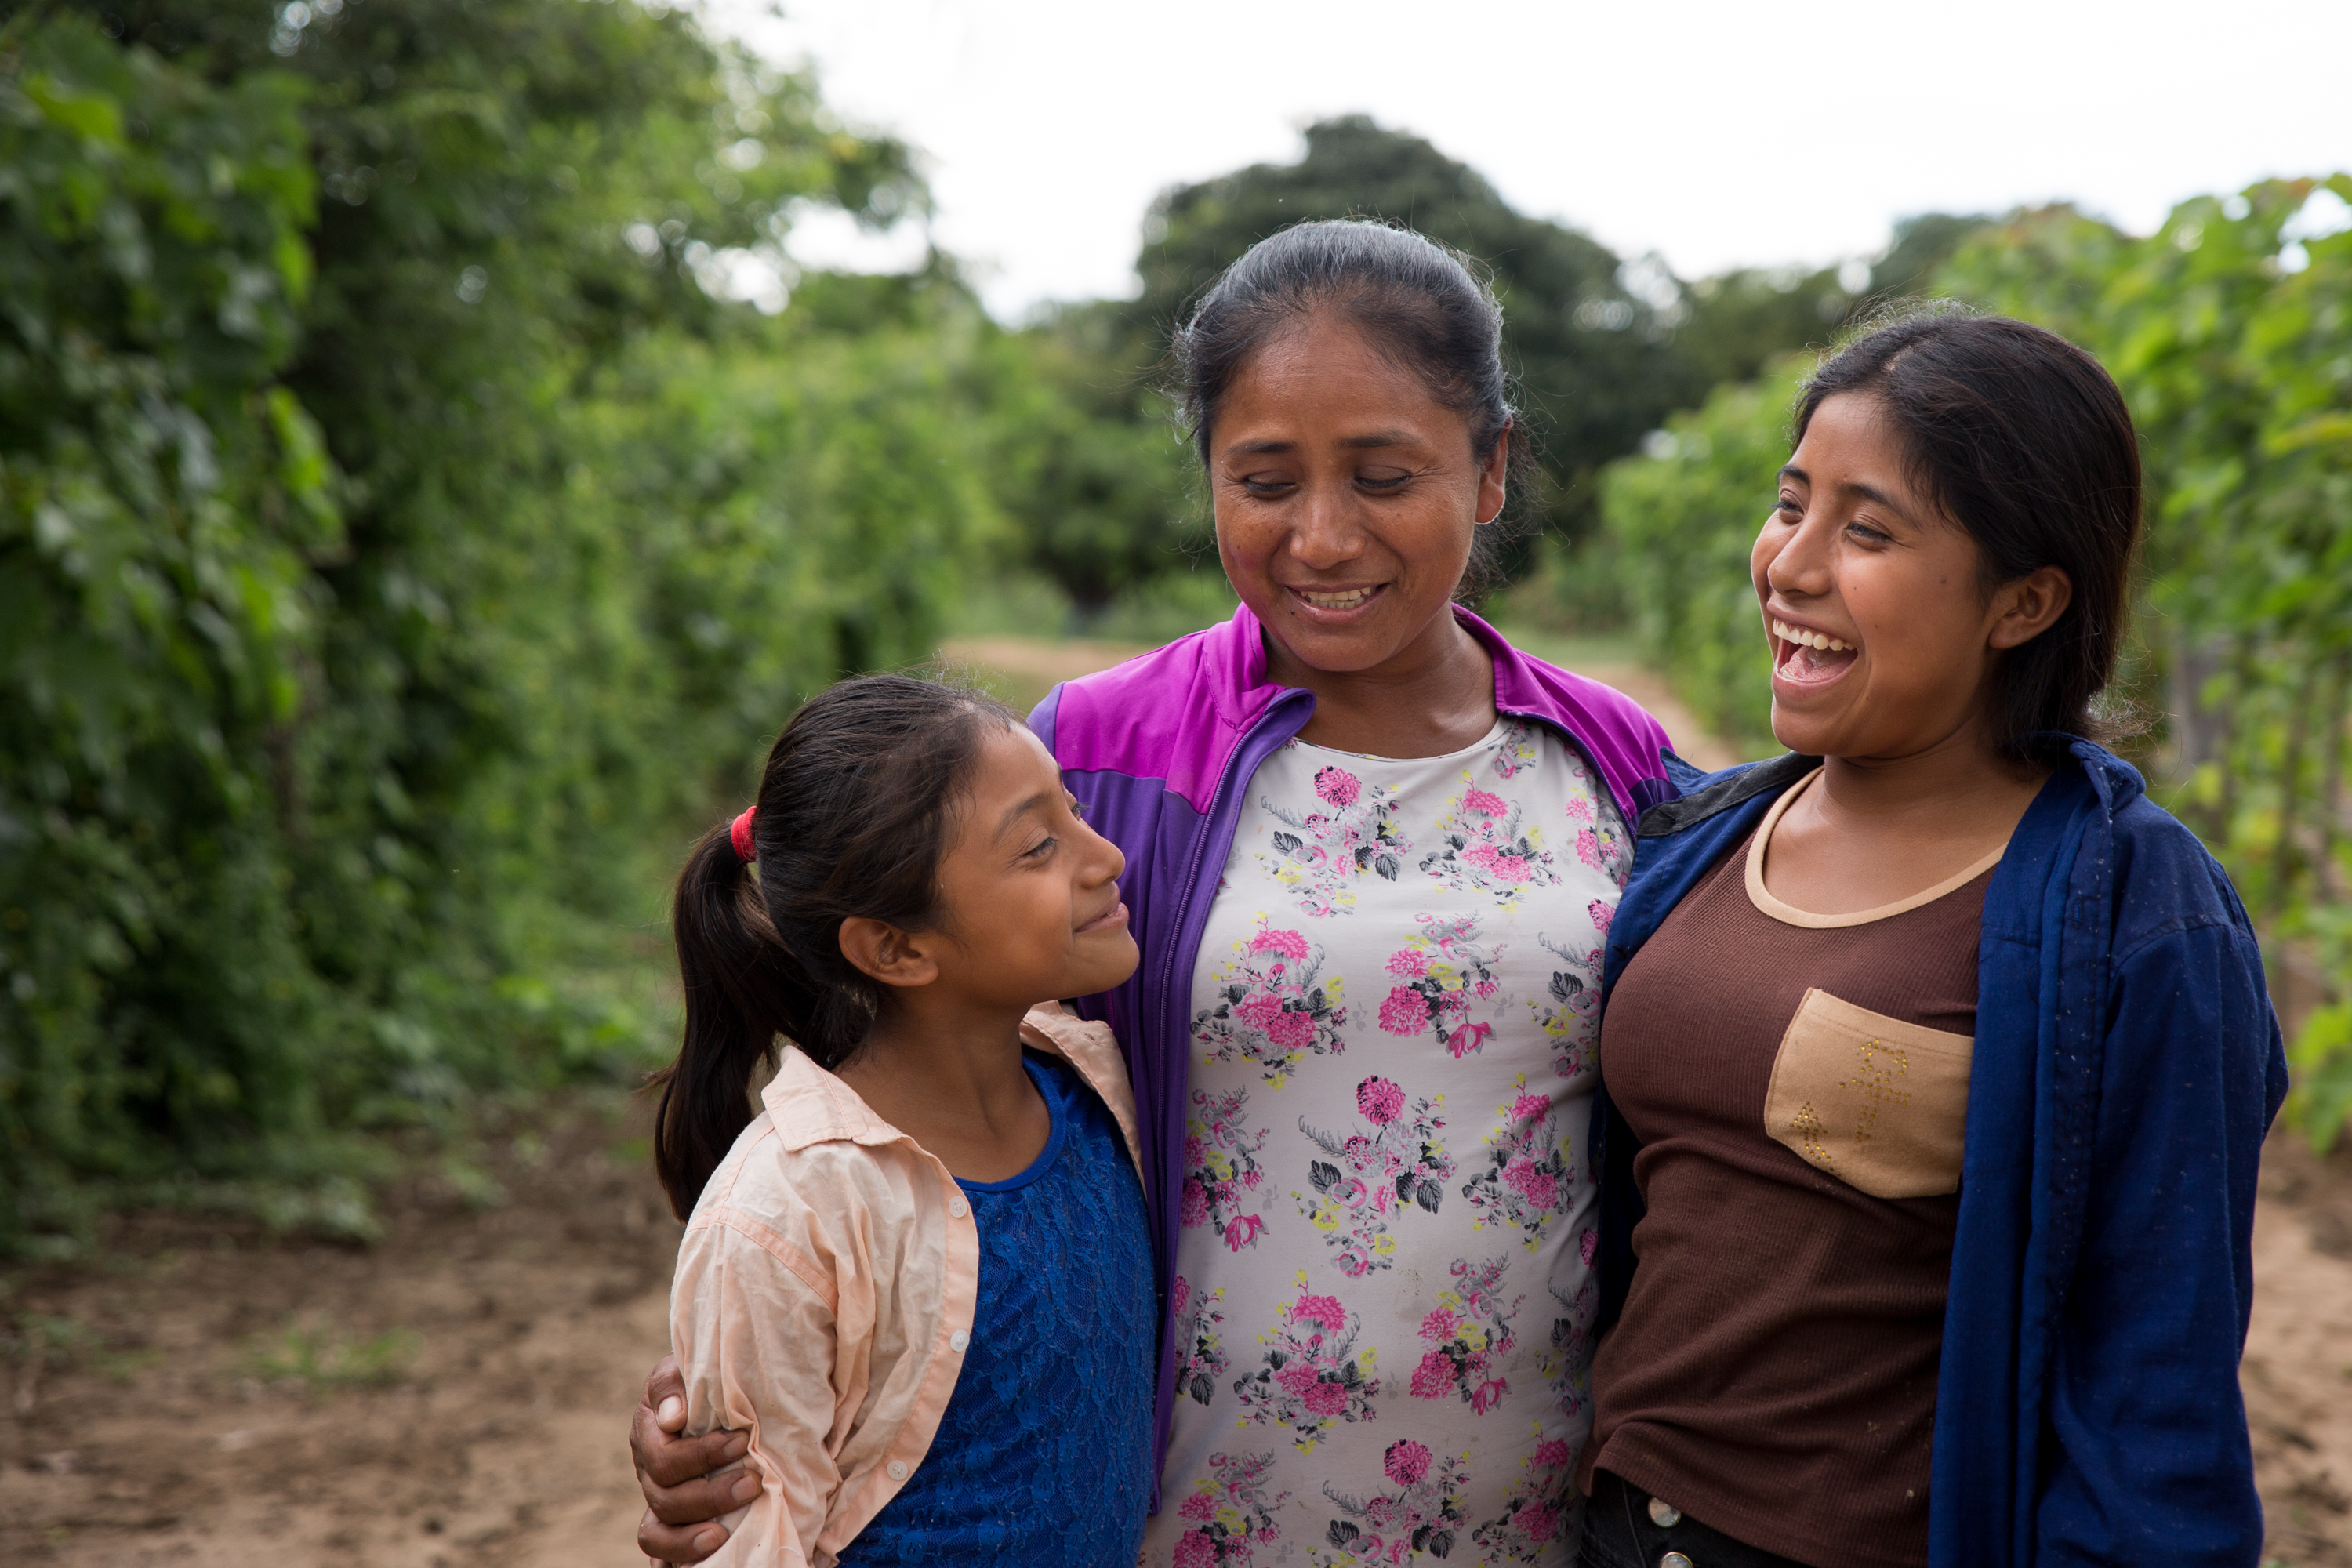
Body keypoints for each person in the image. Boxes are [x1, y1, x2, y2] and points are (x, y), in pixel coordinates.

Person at [633, 220, 1682, 1566]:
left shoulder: (1615, 766)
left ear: (1490, 470)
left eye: (1383, 474)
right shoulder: (1099, 755)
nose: (1321, 534)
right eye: (1263, 479)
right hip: (1182, 1519)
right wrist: (724, 1392)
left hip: (1533, 1510)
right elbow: (891, 1076)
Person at [1578, 310, 2285, 1568]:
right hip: (1615, 1531)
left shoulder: (2133, 913)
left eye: (1867, 530)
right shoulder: (1703, 837)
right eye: (1789, 504)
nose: (1789, 565)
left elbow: (2157, 1383)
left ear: (2025, 601)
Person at [652, 673, 1158, 1566]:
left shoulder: (1093, 1082)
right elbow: (753, 1536)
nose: (1105, 854)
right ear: (896, 946)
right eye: (1040, 845)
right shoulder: (792, 1210)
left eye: (1074, 810)